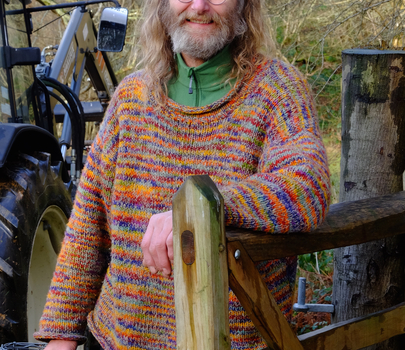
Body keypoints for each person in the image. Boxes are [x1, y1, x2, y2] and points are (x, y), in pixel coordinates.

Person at [34, 0, 331, 348]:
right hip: (118, 339)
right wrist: (60, 333)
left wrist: (200, 211)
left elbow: (307, 185)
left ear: (244, 5)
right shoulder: (130, 99)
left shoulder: (277, 91)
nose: (200, 6)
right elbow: (87, 227)